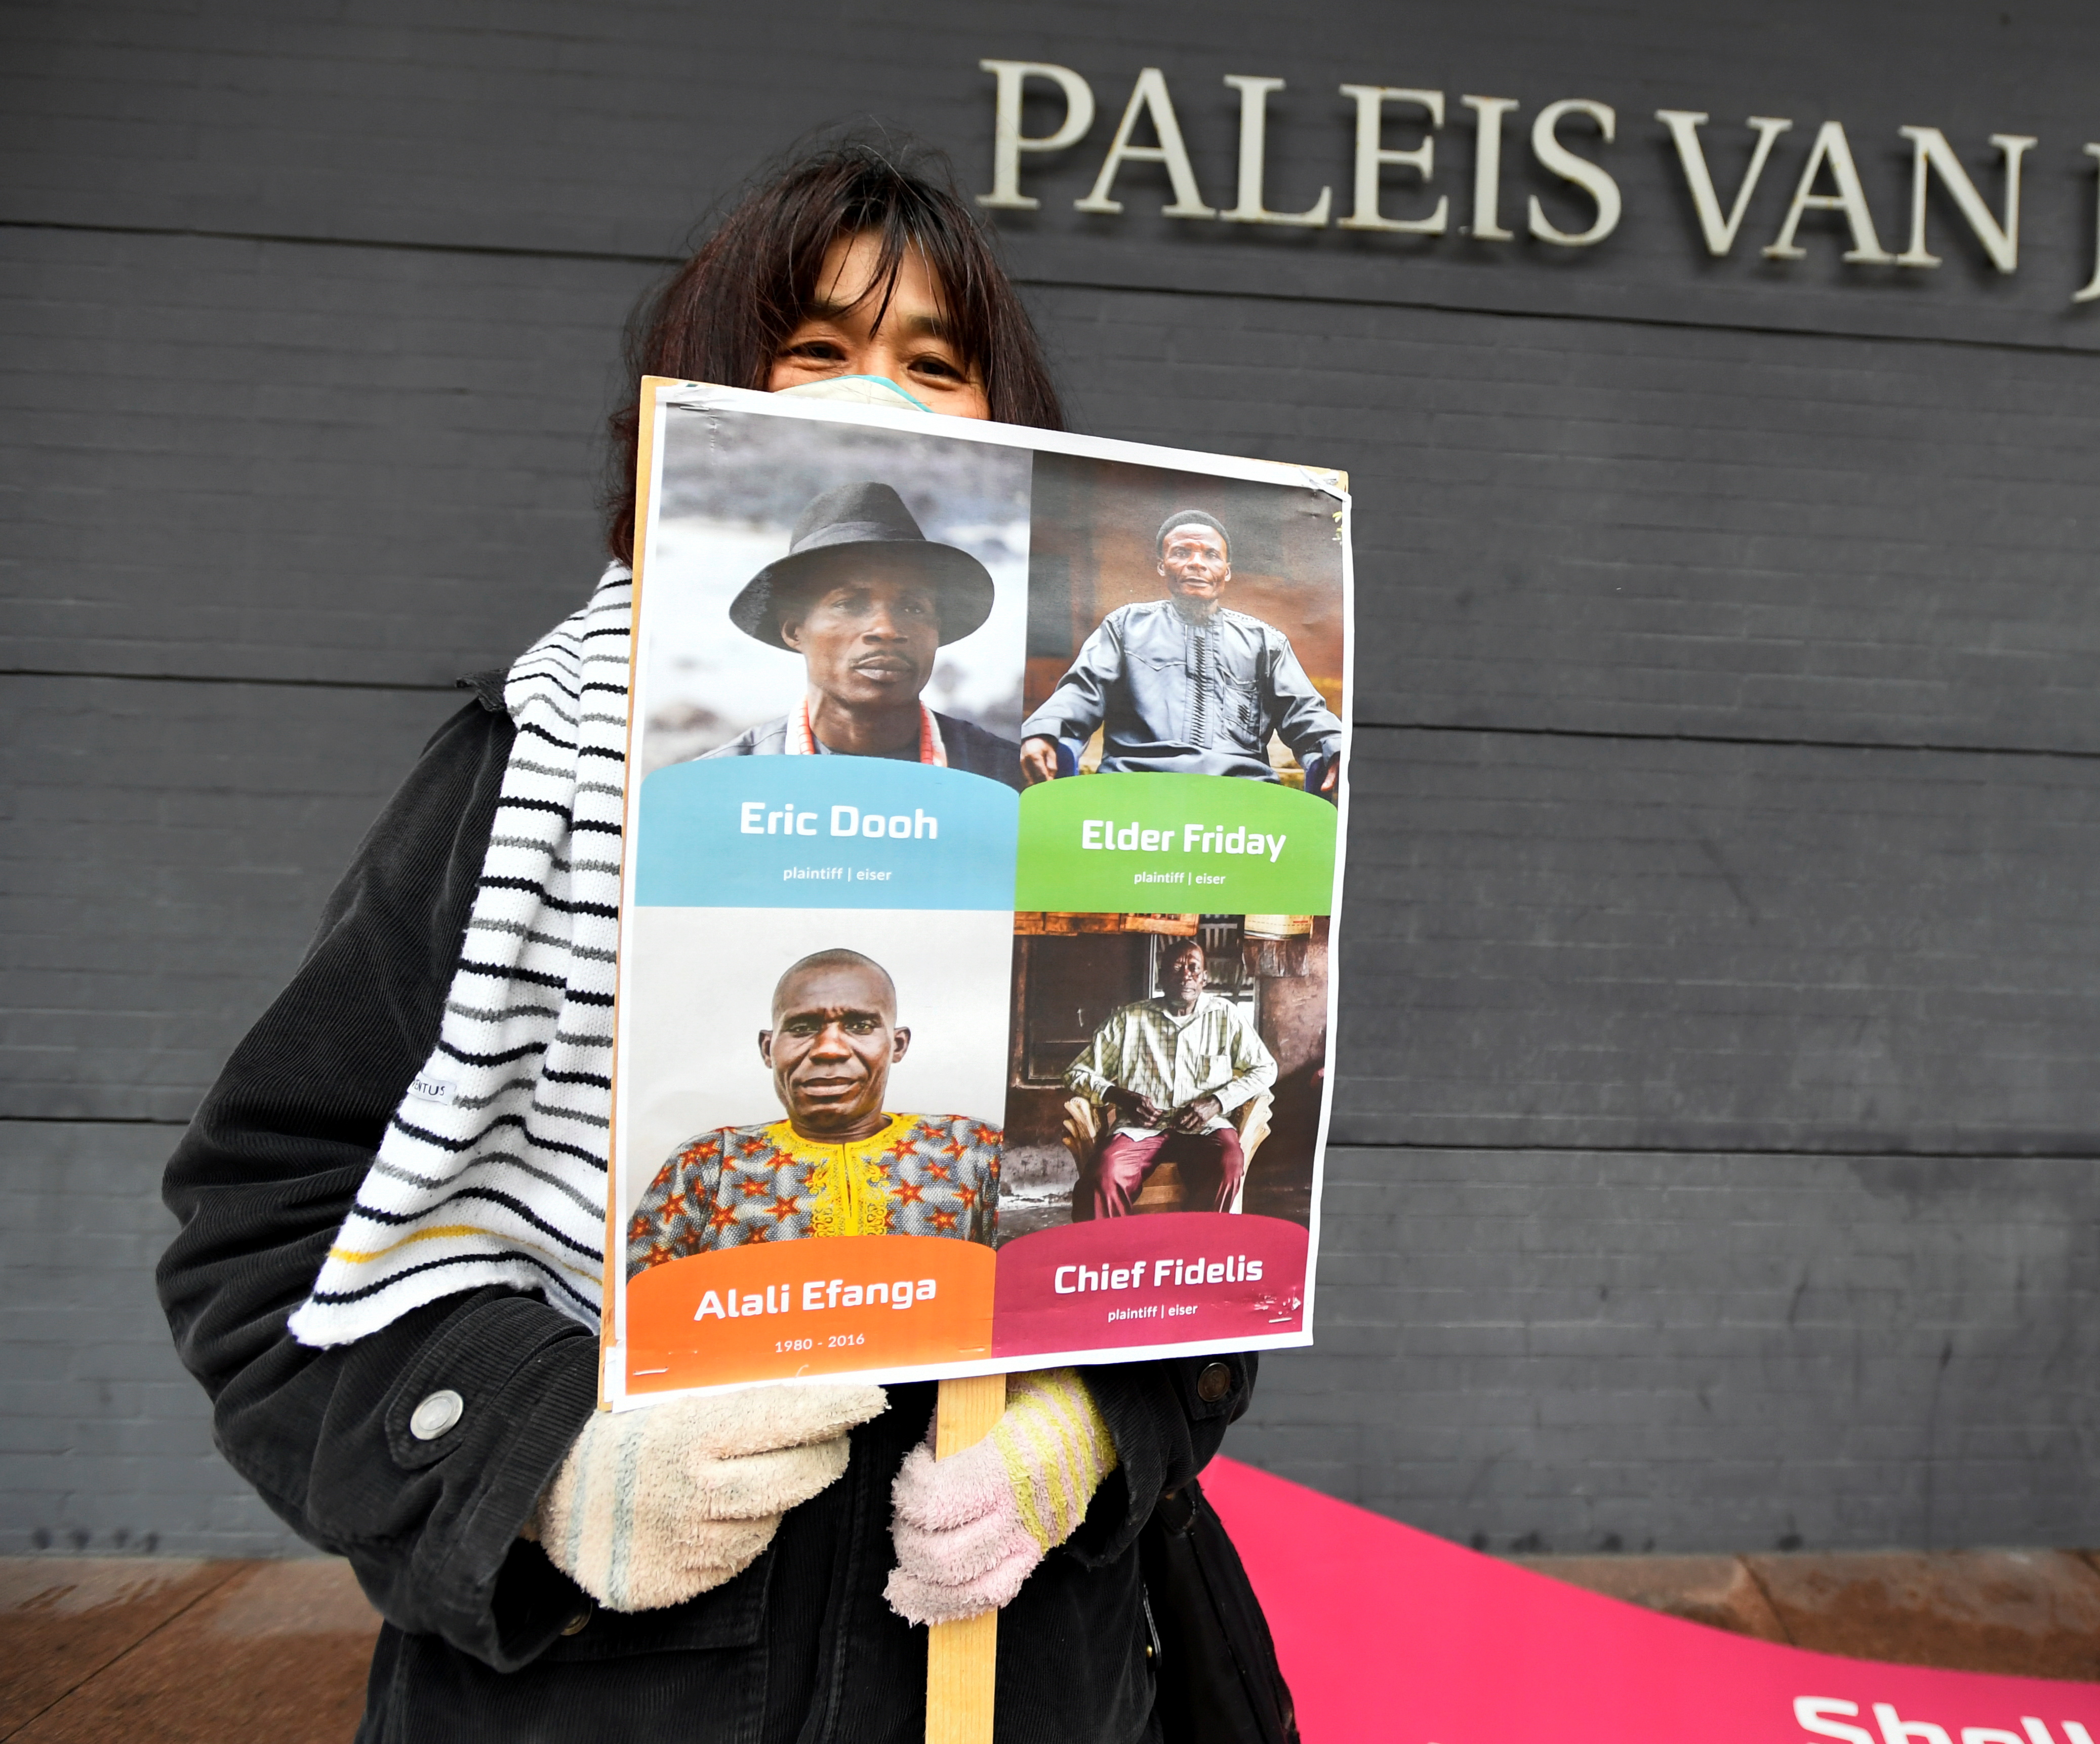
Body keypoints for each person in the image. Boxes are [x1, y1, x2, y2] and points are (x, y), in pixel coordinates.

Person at [155, 136, 1257, 1744]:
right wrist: (540, 1462)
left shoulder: (1077, 797)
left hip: (1024, 1677)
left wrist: (1098, 1424)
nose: (873, 394)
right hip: (623, 1693)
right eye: (812, 348)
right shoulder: (542, 760)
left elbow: (1201, 1206)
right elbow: (264, 1225)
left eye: (931, 362)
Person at [627, 949, 997, 1270]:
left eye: (860, 1025)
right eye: (803, 1028)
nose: (829, 1049)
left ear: (897, 1045)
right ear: (768, 1049)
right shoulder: (707, 1164)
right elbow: (642, 1306)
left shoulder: (975, 1149)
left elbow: (1019, 1299)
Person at [700, 479, 1025, 786]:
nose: (886, 629)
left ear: (937, 630)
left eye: (913, 608)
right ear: (794, 631)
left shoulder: (1007, 781)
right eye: (848, 604)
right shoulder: (725, 785)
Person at [1016, 509, 1343, 794]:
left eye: (1211, 555)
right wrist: (1043, 731)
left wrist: (1338, 749)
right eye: (1182, 552)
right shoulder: (1125, 626)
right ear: (1162, 566)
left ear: (1227, 571)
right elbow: (1081, 692)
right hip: (1134, 789)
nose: (1196, 564)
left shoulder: (1265, 642)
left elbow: (1305, 713)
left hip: (1242, 794)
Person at [1067, 938, 1277, 1216]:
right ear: (1162, 976)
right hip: (1141, 1128)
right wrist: (1121, 1097)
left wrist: (1216, 1102)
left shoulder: (1226, 1015)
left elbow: (1266, 1069)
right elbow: (1076, 1073)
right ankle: (1115, 1243)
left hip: (1206, 1126)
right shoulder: (1130, 1019)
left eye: (1193, 968)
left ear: (1204, 978)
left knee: (1229, 1162)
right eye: (1176, 968)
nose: (1185, 975)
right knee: (1107, 1171)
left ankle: (1196, 1240)